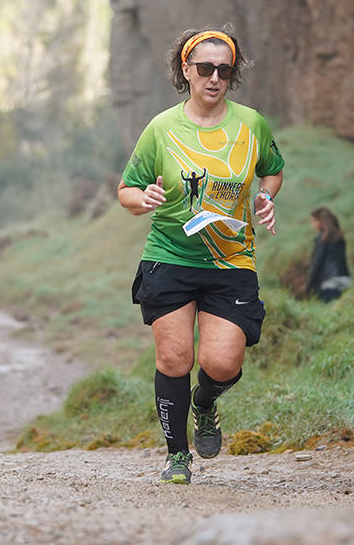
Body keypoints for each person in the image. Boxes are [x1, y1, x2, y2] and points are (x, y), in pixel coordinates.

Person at [117, 27, 285, 484]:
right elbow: (126, 190)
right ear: (186, 70)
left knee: (223, 363)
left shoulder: (251, 124)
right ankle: (177, 456)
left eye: (224, 70)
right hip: (169, 256)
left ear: (232, 75)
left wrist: (265, 199)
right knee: (174, 359)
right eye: (205, 68)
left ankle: (205, 402)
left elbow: (272, 171)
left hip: (230, 262)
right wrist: (143, 198)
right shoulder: (161, 128)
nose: (214, 78)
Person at [305, 207, 352, 302]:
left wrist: (309, 286)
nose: (313, 225)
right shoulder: (340, 236)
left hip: (329, 283)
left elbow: (317, 263)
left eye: (314, 221)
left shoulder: (322, 239)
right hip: (345, 280)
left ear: (321, 221)